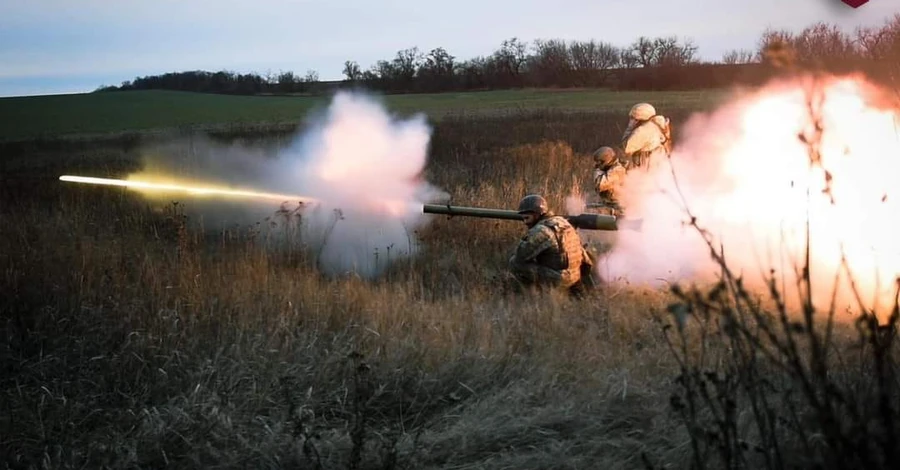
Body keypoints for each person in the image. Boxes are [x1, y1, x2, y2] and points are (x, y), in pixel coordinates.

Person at [507, 194, 594, 295]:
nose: (525, 222)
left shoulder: (541, 231)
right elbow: (586, 259)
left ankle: (532, 293)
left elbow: (520, 256)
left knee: (515, 263)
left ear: (536, 214)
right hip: (575, 276)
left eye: (527, 218)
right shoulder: (563, 223)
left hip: (560, 280)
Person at [621, 102, 672, 171]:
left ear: (640, 118)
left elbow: (626, 147)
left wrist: (629, 128)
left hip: (647, 164)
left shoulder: (642, 131)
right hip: (659, 160)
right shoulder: (658, 124)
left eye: (633, 118)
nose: (631, 120)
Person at [591, 146, 628, 218]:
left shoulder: (617, 170)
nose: (597, 164)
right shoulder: (610, 169)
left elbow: (600, 185)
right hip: (610, 205)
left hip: (618, 208)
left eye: (599, 162)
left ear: (606, 160)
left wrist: (597, 170)